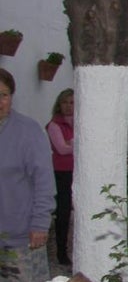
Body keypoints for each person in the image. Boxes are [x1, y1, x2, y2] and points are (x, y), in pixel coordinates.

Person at [0, 68, 55, 282]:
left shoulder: (28, 131)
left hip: (21, 237)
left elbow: (44, 181)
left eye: (3, 94)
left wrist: (40, 224)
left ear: (12, 97)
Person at [46, 88, 75, 266]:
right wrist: (76, 143)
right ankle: (61, 252)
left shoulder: (80, 122)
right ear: (59, 104)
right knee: (63, 212)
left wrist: (71, 142)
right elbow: (61, 149)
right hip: (62, 172)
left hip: (77, 171)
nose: (68, 106)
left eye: (72, 102)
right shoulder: (54, 125)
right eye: (65, 102)